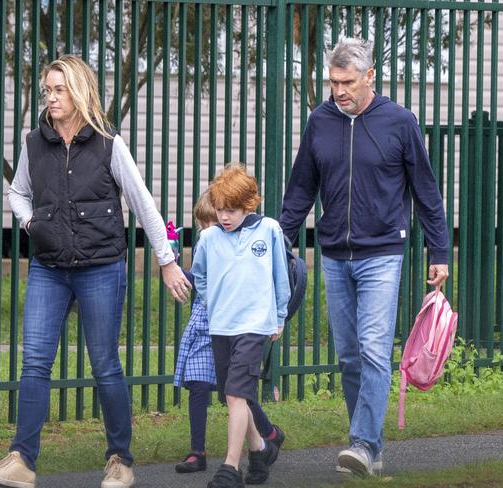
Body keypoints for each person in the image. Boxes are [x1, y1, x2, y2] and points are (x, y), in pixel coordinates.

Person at [0, 54, 191, 488]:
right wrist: (31, 222)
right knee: (35, 362)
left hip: (101, 267)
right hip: (49, 267)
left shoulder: (109, 144)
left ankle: (120, 461)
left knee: (105, 364)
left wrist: (166, 261)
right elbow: (18, 193)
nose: (51, 98)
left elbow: (143, 203)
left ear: (79, 92)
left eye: (59, 90)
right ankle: (21, 460)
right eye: (47, 90)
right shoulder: (34, 142)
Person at [279, 37, 450, 478]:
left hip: (382, 254)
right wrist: (282, 238)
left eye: (348, 82)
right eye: (334, 81)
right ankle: (368, 450)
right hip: (334, 254)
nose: (339, 91)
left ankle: (363, 443)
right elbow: (301, 187)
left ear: (370, 77)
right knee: (349, 356)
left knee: (374, 349)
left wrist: (440, 249)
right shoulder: (320, 121)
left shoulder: (399, 122)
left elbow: (426, 191)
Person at [191, 163, 290, 488]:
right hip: (221, 325)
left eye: (231, 210)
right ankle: (261, 450)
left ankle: (230, 468)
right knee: (235, 396)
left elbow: (280, 277)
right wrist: (210, 301)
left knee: (236, 394)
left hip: (254, 325)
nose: (224, 217)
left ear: (249, 205)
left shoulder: (269, 230)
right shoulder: (208, 238)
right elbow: (200, 276)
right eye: (220, 210)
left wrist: (278, 316)